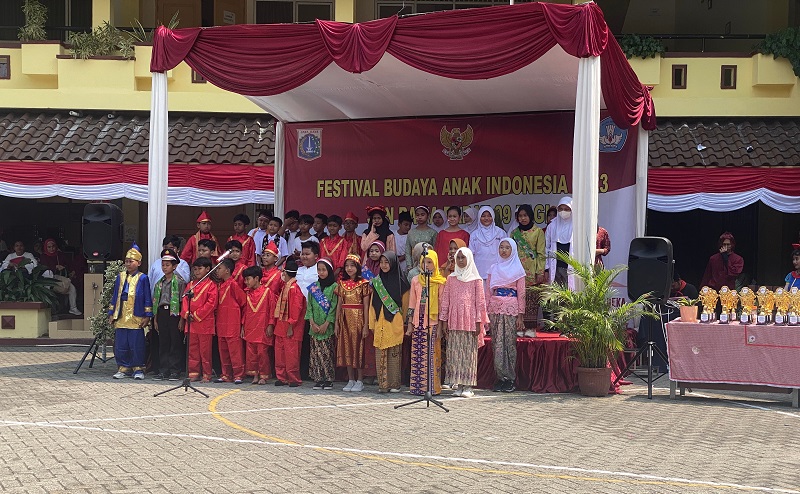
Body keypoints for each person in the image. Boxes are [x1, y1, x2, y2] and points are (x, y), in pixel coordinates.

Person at [439, 247, 489, 398]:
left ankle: (468, 385)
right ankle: (458, 384)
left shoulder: (476, 280)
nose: (460, 261)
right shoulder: (451, 278)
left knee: (468, 354)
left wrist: (479, 322)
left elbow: (480, 303)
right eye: (458, 258)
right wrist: (444, 321)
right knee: (455, 353)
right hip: (454, 321)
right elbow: (445, 301)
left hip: (470, 321)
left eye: (463, 258)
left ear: (469, 259)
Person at [486, 239, 526, 393]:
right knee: (497, 344)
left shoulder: (518, 269)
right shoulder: (493, 268)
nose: (503, 250)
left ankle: (509, 379)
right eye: (501, 247)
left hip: (511, 308)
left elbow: (521, 293)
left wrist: (520, 316)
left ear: (513, 250)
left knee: (509, 344)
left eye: (507, 247)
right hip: (495, 308)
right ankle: (500, 378)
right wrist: (486, 313)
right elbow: (488, 292)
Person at [108, 243, 153, 380]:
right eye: (126, 261)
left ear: (138, 262)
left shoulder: (143, 278)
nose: (128, 264)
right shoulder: (120, 277)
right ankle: (123, 367)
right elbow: (115, 296)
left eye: (131, 261)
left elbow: (146, 296)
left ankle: (138, 368)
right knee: (122, 343)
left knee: (136, 343)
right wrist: (111, 313)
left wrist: (147, 315)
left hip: (136, 314)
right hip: (121, 314)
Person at [406, 249, 446, 396]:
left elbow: (442, 306)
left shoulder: (440, 282)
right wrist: (410, 323)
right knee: (418, 354)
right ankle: (418, 387)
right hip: (418, 321)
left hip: (433, 323)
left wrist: (441, 326)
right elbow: (411, 303)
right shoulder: (416, 280)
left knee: (432, 354)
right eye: (424, 262)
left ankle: (432, 388)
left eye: (430, 262)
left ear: (435, 263)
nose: (427, 265)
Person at [369, 251, 409, 393]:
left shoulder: (402, 282)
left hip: (395, 321)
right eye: (382, 262)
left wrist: (403, 321)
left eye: (387, 262)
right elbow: (372, 304)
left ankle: (394, 384)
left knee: (394, 355)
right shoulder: (376, 282)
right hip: (379, 322)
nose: (384, 265)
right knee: (380, 354)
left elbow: (405, 304)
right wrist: (371, 322)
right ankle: (383, 384)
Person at [335, 254, 372, 392]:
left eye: (352, 265)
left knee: (358, 349)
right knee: (347, 348)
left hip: (358, 319)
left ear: (357, 267)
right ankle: (350, 379)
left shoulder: (363, 283)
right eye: (347, 265)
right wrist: (337, 323)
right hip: (344, 319)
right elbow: (339, 305)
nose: (349, 268)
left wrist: (366, 325)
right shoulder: (342, 284)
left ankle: (360, 380)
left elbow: (367, 306)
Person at [182, 257, 218, 383]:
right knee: (193, 350)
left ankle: (207, 374)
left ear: (208, 269)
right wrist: (187, 313)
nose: (197, 272)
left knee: (205, 351)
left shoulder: (211, 285)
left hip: (204, 323)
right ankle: (194, 373)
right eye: (195, 269)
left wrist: (196, 315)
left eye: (200, 269)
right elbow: (185, 301)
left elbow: (211, 303)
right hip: (191, 323)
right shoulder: (190, 285)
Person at [151, 248, 186, 381]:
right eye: (163, 265)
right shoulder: (159, 283)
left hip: (175, 313)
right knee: (163, 341)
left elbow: (183, 302)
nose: (165, 267)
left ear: (174, 266)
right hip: (162, 313)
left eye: (168, 265)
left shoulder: (180, 281)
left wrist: (181, 319)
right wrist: (155, 319)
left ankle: (175, 370)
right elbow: (156, 302)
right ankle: (163, 369)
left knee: (175, 341)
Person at [510, 204, 546, 331]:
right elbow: (510, 253)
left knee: (531, 300)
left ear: (530, 216)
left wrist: (540, 271)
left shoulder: (538, 232)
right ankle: (519, 328)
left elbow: (541, 253)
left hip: (532, 272)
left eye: (525, 215)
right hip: (517, 272)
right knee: (518, 300)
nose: (523, 218)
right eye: (520, 216)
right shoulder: (514, 233)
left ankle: (531, 329)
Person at [271, 258, 306, 387]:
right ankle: (282, 377)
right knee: (280, 353)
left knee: (291, 354)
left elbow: (296, 309)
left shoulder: (294, 289)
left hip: (291, 327)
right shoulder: (287, 287)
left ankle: (293, 378)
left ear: (285, 273)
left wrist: (291, 325)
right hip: (281, 325)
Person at [306, 258, 338, 390]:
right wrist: (312, 322)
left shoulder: (334, 287)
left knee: (326, 353)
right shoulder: (314, 287)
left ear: (329, 270)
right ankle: (318, 378)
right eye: (319, 269)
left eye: (324, 270)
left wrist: (327, 323)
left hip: (327, 327)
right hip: (314, 326)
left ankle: (328, 379)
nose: (321, 272)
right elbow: (309, 307)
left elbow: (334, 307)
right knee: (315, 353)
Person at [242, 266, 275, 385]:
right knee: (251, 353)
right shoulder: (247, 293)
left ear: (256, 278)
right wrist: (242, 326)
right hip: (250, 326)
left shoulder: (267, 292)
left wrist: (271, 324)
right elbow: (245, 312)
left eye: (248, 279)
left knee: (262, 353)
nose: (246, 282)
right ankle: (254, 374)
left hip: (263, 326)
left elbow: (272, 309)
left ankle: (264, 375)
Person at [215, 258, 246, 384]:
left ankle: (238, 374)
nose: (217, 271)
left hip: (232, 323)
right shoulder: (220, 285)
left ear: (227, 271)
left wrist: (242, 322)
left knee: (235, 350)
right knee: (223, 350)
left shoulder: (233, 284)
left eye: (219, 268)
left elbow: (243, 301)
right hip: (221, 322)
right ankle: (226, 374)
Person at [39, 238, 82, 315]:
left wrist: (71, 271)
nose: (51, 249)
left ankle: (73, 308)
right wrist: (55, 267)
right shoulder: (43, 256)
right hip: (49, 280)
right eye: (49, 247)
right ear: (46, 247)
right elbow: (43, 267)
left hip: (60, 278)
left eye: (53, 246)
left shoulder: (60, 255)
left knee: (72, 289)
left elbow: (69, 264)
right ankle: (48, 309)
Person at [469, 206, 506, 280]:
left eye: (489, 216)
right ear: (479, 217)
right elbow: (471, 254)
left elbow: (505, 252)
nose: (486, 218)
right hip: (479, 272)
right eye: (483, 216)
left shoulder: (500, 233)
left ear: (493, 216)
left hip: (497, 272)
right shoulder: (474, 235)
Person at [545, 197, 574, 288]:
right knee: (555, 295)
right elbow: (546, 247)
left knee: (570, 294)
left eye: (566, 209)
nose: (563, 211)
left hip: (571, 267)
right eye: (560, 209)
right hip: (555, 266)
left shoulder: (576, 225)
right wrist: (546, 267)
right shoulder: (552, 226)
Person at [405, 206, 437, 275]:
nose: (420, 217)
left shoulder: (433, 233)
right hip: (414, 266)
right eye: (417, 215)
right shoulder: (411, 232)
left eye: (422, 215)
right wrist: (409, 266)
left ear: (428, 216)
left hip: (428, 266)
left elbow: (435, 251)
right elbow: (408, 251)